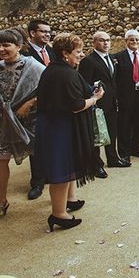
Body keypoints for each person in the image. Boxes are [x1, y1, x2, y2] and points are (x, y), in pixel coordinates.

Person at [34, 33, 104, 232]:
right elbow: (76, 105)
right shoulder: (65, 74)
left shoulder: (56, 70)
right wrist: (95, 98)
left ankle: (70, 199)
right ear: (65, 53)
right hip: (58, 128)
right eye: (78, 51)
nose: (82, 55)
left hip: (55, 125)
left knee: (67, 164)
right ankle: (59, 214)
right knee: (61, 170)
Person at [0, 29, 44, 226]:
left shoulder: (34, 66)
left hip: (30, 121)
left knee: (44, 156)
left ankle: (60, 199)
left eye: (6, 45)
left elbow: (48, 89)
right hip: (3, 121)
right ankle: (1, 203)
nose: (1, 49)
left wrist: (30, 103)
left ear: (19, 46)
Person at [78, 31, 130, 175]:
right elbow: (85, 84)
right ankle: (96, 165)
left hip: (112, 103)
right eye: (102, 40)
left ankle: (113, 158)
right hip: (97, 104)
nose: (106, 43)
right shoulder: (88, 61)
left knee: (112, 132)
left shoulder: (112, 58)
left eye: (107, 40)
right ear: (94, 42)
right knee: (96, 134)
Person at [25, 19, 55, 200]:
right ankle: (37, 182)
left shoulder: (51, 51)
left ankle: (51, 174)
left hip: (54, 105)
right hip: (33, 106)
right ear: (32, 33)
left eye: (48, 31)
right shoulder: (24, 53)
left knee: (52, 141)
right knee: (35, 145)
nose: (47, 34)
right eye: (43, 31)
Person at [114, 30, 139, 161]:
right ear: (126, 41)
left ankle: (136, 148)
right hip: (125, 95)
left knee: (138, 123)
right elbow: (116, 79)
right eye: (132, 40)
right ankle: (124, 151)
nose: (135, 42)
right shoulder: (118, 57)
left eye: (137, 40)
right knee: (124, 124)